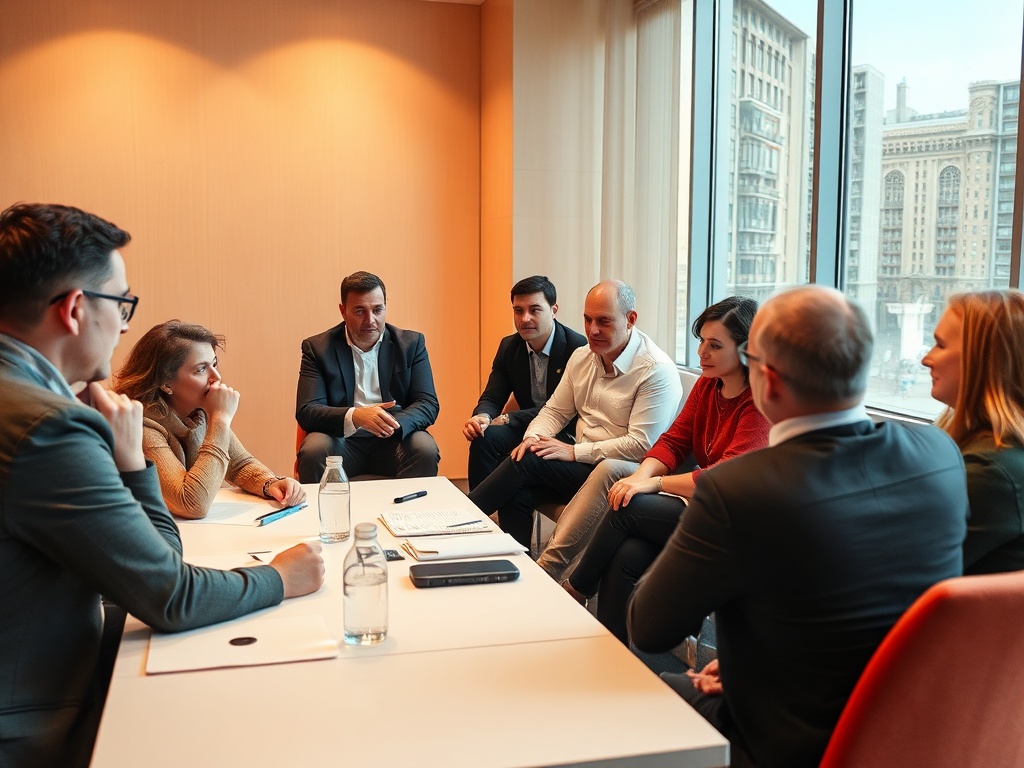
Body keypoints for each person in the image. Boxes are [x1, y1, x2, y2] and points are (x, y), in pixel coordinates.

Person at [0, 203, 324, 767]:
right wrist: (281, 575)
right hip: (37, 721)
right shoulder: (51, 424)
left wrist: (267, 477)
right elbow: (170, 592)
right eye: (121, 304)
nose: (124, 325)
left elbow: (237, 468)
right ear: (76, 309)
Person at [628, 285, 968, 768]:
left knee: (642, 700)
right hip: (913, 732)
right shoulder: (939, 455)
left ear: (766, 377)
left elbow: (650, 628)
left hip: (785, 742)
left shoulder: (737, 489)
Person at [557, 297, 770, 642]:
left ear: (749, 350)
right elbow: (674, 440)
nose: (702, 352)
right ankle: (613, 649)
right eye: (701, 340)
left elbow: (722, 479)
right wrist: (639, 477)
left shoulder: (760, 402)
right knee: (626, 552)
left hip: (736, 522)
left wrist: (654, 484)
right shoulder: (708, 384)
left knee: (630, 507)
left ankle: (576, 588)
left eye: (715, 345)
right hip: (702, 507)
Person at [468, 280, 682, 546]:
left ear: (631, 319)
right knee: (519, 485)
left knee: (528, 461)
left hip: (618, 473)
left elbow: (640, 445)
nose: (593, 330)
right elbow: (555, 411)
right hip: (580, 461)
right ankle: (512, 567)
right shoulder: (582, 356)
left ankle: (459, 518)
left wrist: (572, 452)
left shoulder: (656, 370)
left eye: (603, 321)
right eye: (588, 319)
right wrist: (533, 437)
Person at [114, 321, 305, 519]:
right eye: (201, 369)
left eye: (214, 364)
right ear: (166, 383)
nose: (217, 377)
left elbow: (240, 465)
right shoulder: (141, 425)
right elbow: (191, 503)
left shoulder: (199, 410)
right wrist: (221, 419)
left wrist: (270, 483)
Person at [296, 271, 440, 482]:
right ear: (343, 311)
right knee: (314, 449)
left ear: (385, 308)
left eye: (377, 310)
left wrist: (387, 422)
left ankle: (405, 514)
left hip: (393, 439)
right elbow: (307, 410)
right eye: (360, 311)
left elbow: (428, 403)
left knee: (424, 447)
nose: (370, 320)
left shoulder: (411, 344)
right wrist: (356, 416)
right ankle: (322, 514)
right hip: (341, 441)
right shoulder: (318, 348)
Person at [923, 289, 1024, 574]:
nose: (926, 359)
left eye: (940, 346)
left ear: (982, 360)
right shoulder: (1002, 455)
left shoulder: (991, 471)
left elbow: (914, 573)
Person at [463, 275, 587, 490]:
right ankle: (479, 514)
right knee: (484, 438)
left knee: (522, 459)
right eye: (518, 310)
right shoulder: (509, 347)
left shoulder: (576, 347)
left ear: (554, 309)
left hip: (565, 433)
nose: (525, 318)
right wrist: (482, 416)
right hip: (526, 427)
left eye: (534, 309)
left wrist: (508, 418)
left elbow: (568, 411)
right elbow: (493, 395)